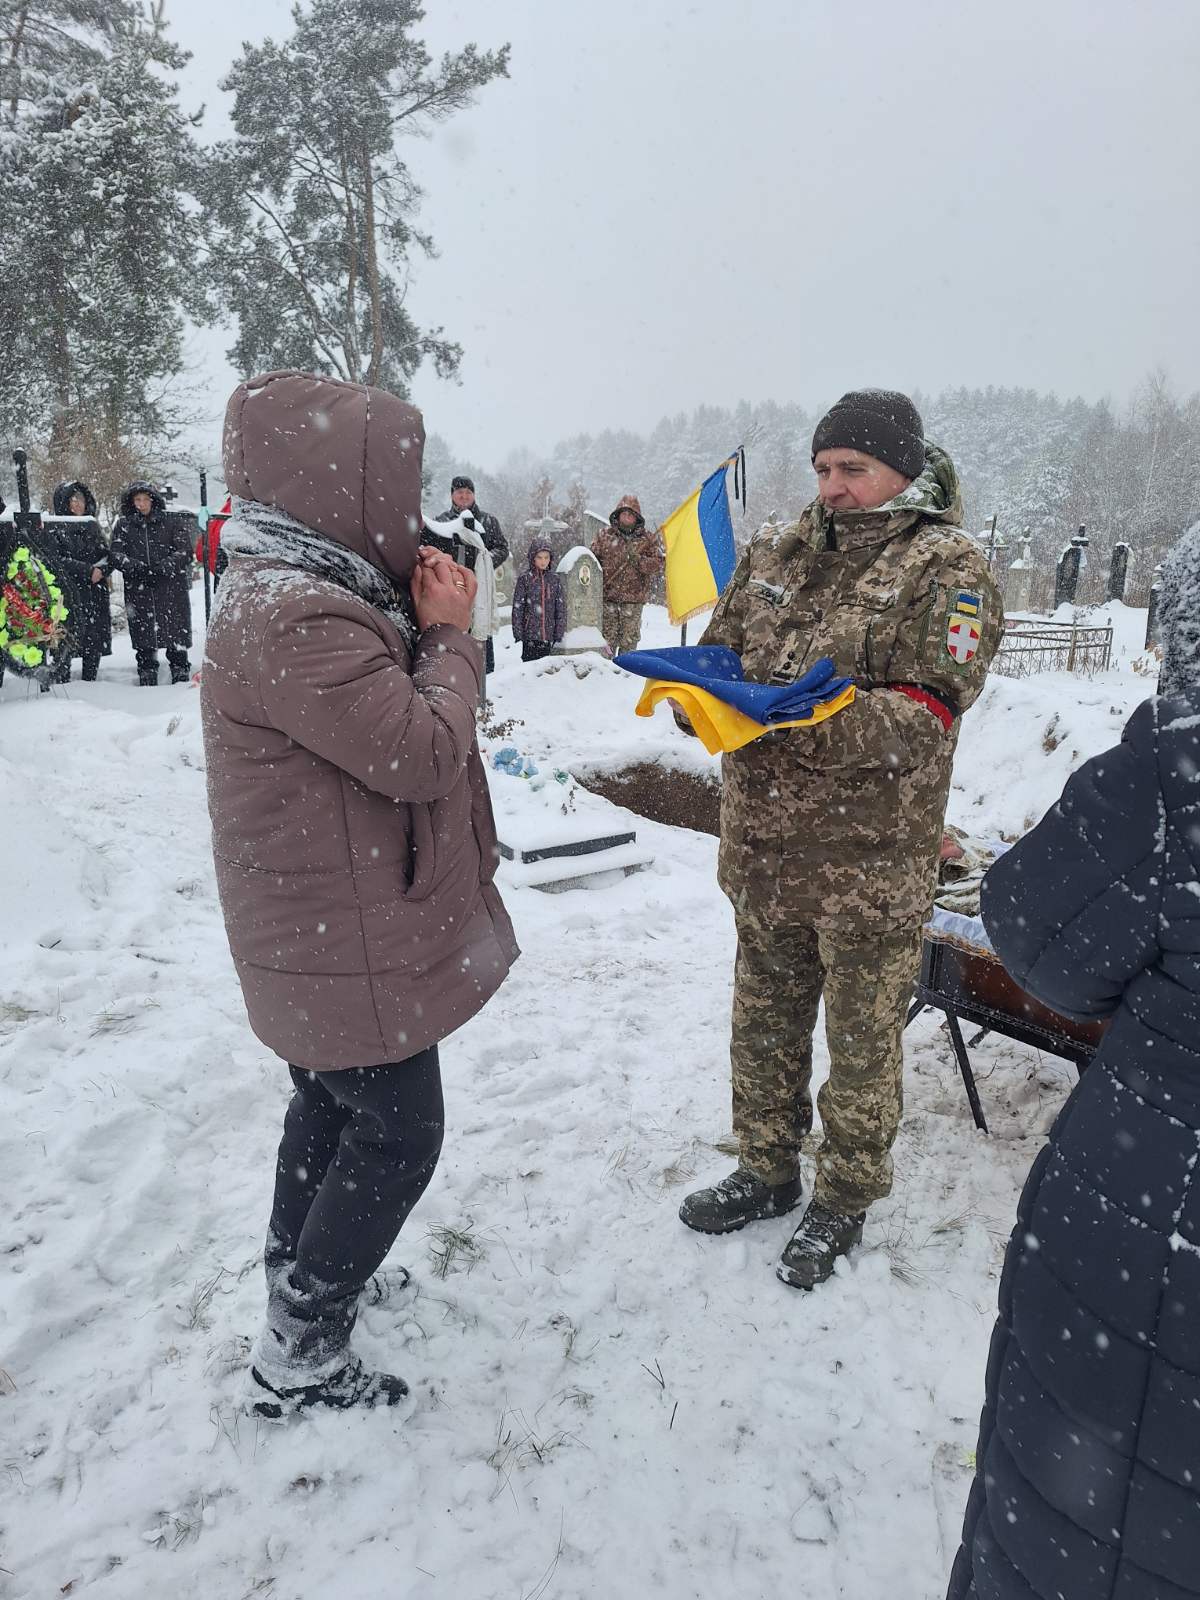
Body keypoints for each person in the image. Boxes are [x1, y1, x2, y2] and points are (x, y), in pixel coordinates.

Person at [201, 370, 519, 1417]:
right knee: (398, 1133)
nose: (407, 504)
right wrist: (453, 636)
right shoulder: (299, 613)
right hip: (338, 936)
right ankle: (302, 1344)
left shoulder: (294, 585)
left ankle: (301, 1275)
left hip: (324, 925)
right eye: (395, 480)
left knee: (331, 1105)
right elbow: (421, 750)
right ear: (340, 480)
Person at [677, 390, 1003, 1287]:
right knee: (763, 1027)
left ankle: (845, 1197)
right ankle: (766, 1168)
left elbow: (929, 712)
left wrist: (799, 717)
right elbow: (723, 650)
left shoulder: (949, 568)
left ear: (903, 470)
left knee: (861, 1050)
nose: (832, 486)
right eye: (823, 468)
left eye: (852, 469)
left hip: (869, 869)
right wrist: (698, 695)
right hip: (764, 855)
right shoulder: (778, 550)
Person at [946, 528, 1200, 1600]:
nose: (832, 486)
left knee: (1089, 1529)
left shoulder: (1176, 778)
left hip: (1154, 1240)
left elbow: (1036, 938)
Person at [110, 481, 193, 685]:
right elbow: (116, 554)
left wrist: (163, 568)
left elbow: (184, 551)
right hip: (139, 589)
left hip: (170, 587)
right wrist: (137, 568)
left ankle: (180, 669)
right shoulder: (124, 525)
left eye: (145, 499)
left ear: (153, 500)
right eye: (137, 500)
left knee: (175, 631)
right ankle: (147, 671)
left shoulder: (171, 521)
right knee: (143, 634)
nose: (141, 504)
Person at [432, 475, 509, 675]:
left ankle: (483, 673)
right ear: (452, 495)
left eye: (468, 492)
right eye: (460, 492)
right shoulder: (442, 521)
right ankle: (455, 671)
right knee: (454, 628)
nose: (464, 496)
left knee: (480, 628)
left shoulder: (488, 521)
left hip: (480, 587)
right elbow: (432, 551)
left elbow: (502, 548)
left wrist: (484, 562)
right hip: (452, 587)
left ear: (474, 495)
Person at [43, 481, 112, 682]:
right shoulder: (54, 528)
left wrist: (101, 570)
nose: (77, 504)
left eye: (80, 499)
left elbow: (107, 555)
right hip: (68, 593)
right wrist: (87, 570)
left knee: (93, 639)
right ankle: (61, 679)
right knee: (64, 638)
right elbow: (55, 560)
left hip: (94, 593)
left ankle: (90, 680)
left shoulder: (92, 526)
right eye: (72, 500)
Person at [592, 494, 662, 656]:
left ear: (637, 517)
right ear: (617, 515)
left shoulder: (647, 539)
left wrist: (639, 561)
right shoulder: (604, 536)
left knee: (629, 643)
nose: (627, 517)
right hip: (608, 599)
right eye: (624, 513)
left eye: (631, 514)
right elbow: (592, 561)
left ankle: (625, 670)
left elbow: (658, 564)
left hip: (633, 601)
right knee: (606, 643)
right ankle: (605, 669)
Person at [511, 537, 565, 662]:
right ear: (533, 558)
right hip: (530, 635)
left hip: (548, 635)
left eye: (546, 557)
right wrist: (518, 631)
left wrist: (559, 631)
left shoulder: (554, 580)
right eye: (539, 557)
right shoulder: (525, 579)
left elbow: (560, 608)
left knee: (545, 669)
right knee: (530, 668)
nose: (543, 561)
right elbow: (518, 608)